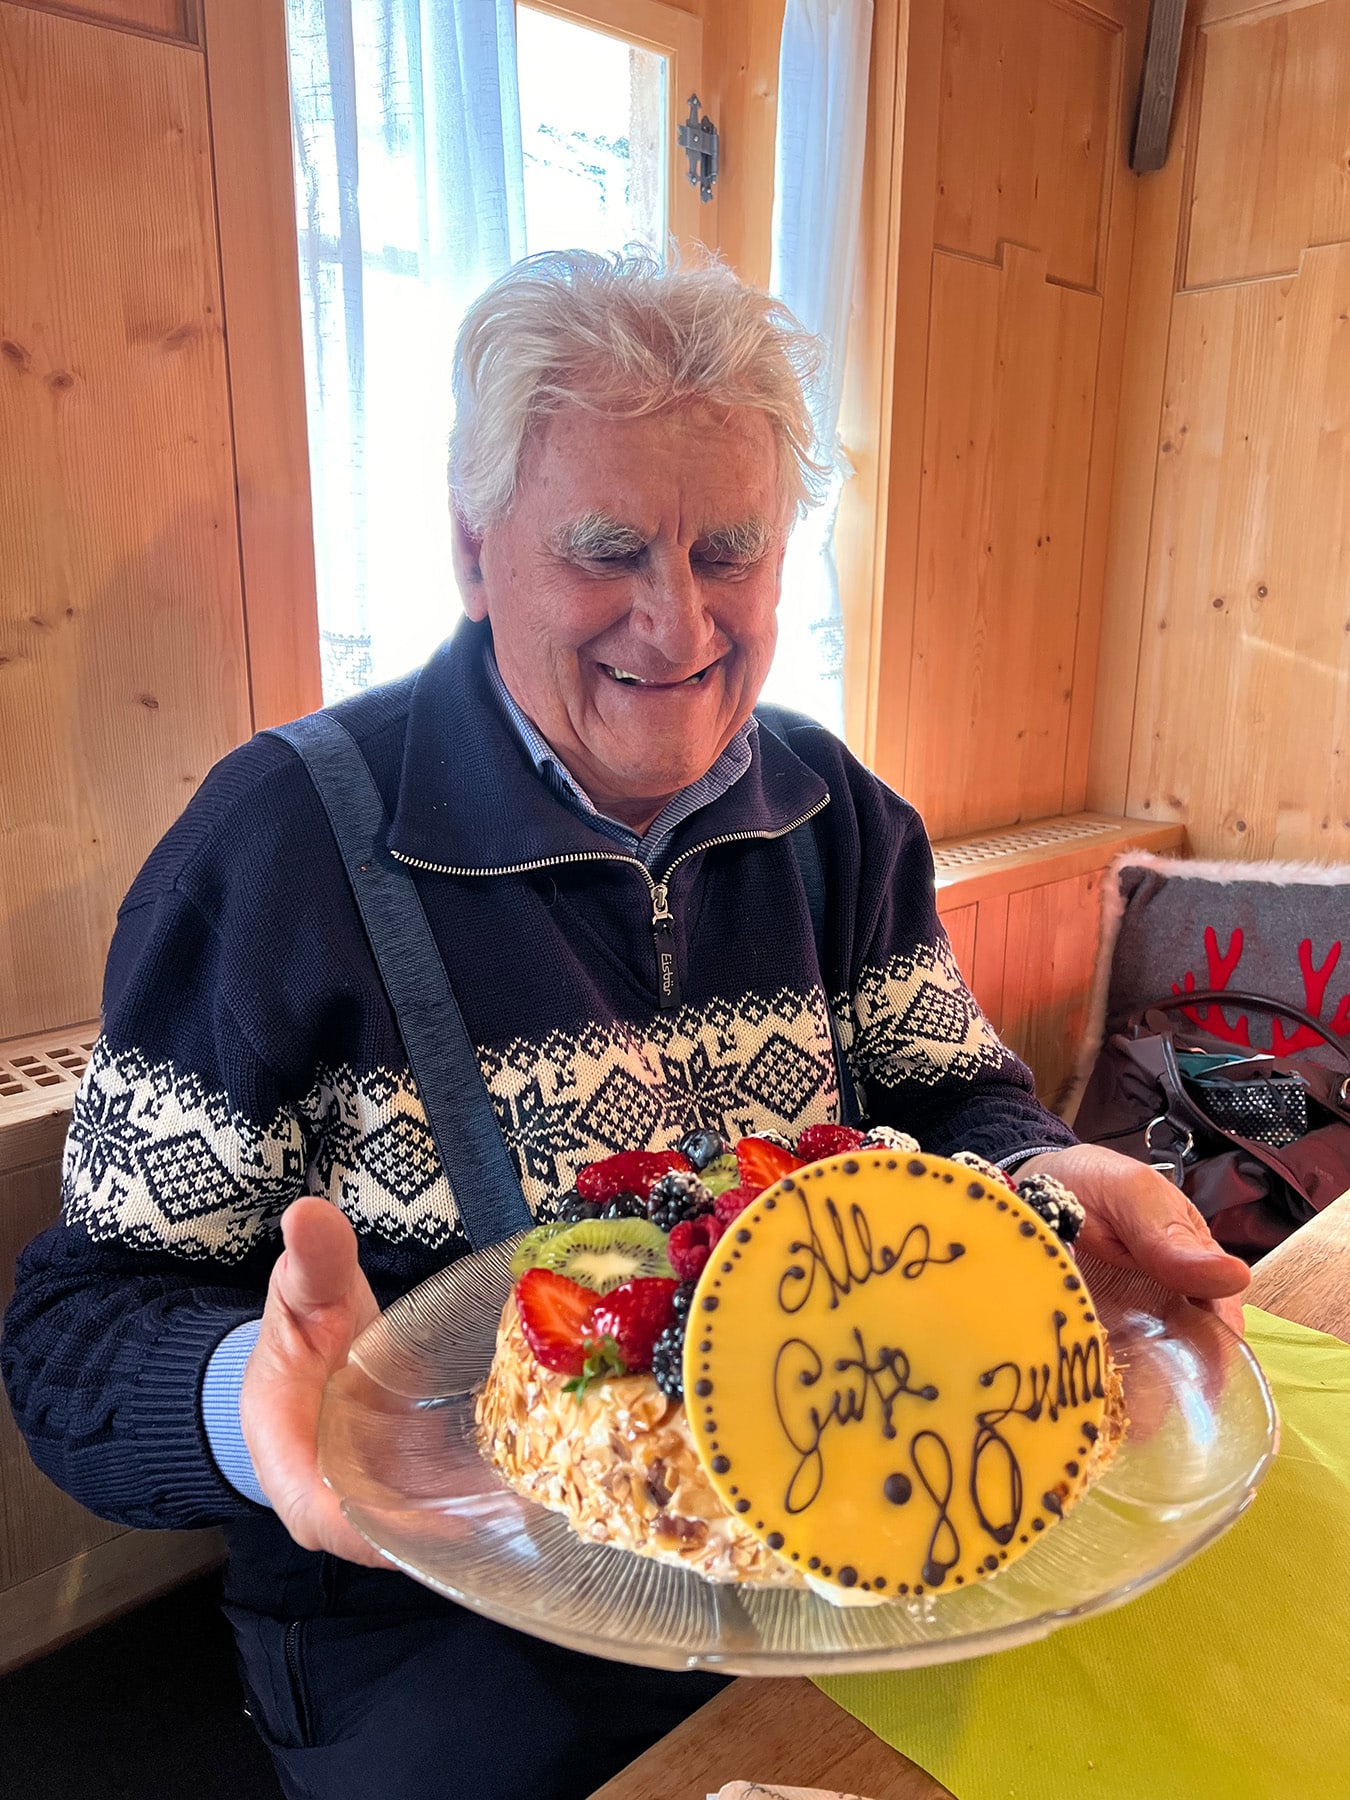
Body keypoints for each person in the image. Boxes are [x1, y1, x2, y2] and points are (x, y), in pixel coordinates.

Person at [2, 250, 1249, 1800]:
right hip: (427, 1626)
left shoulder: (841, 823)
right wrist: (261, 1408)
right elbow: (71, 1337)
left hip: (829, 1553)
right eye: (606, 551)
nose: (678, 623)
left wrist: (1042, 1178)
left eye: (729, 549)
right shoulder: (277, 851)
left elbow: (955, 1108)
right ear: (473, 552)